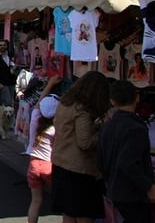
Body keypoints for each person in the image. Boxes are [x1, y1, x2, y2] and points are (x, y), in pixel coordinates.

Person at [98, 80, 155, 223]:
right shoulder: (135, 128)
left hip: (115, 189)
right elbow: (128, 162)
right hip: (132, 193)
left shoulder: (108, 126)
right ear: (137, 98)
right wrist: (149, 186)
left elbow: (101, 160)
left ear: (112, 101)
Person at [51, 71, 109, 222]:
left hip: (60, 163)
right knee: (84, 214)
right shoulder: (81, 110)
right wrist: (103, 130)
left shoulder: (65, 104)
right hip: (79, 170)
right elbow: (85, 142)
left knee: (68, 213)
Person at [27, 94, 59, 223]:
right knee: (62, 200)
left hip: (33, 165)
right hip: (49, 166)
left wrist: (49, 85)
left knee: (35, 202)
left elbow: (37, 105)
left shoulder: (34, 120)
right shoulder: (55, 129)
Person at [0, 39, 16, 106]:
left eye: (4, 45)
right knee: (7, 102)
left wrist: (14, 69)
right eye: (0, 45)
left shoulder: (11, 56)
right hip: (3, 83)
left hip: (12, 82)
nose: (2, 47)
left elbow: (14, 66)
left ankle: (10, 115)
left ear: (7, 46)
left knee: (11, 102)